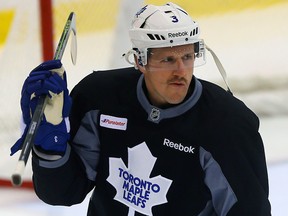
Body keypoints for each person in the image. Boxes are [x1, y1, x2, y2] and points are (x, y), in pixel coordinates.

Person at [11, 2, 271, 216]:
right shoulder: (99, 99)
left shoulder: (228, 125)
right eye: (168, 59)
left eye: (188, 57)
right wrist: (50, 150)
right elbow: (62, 194)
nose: (181, 71)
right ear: (139, 60)